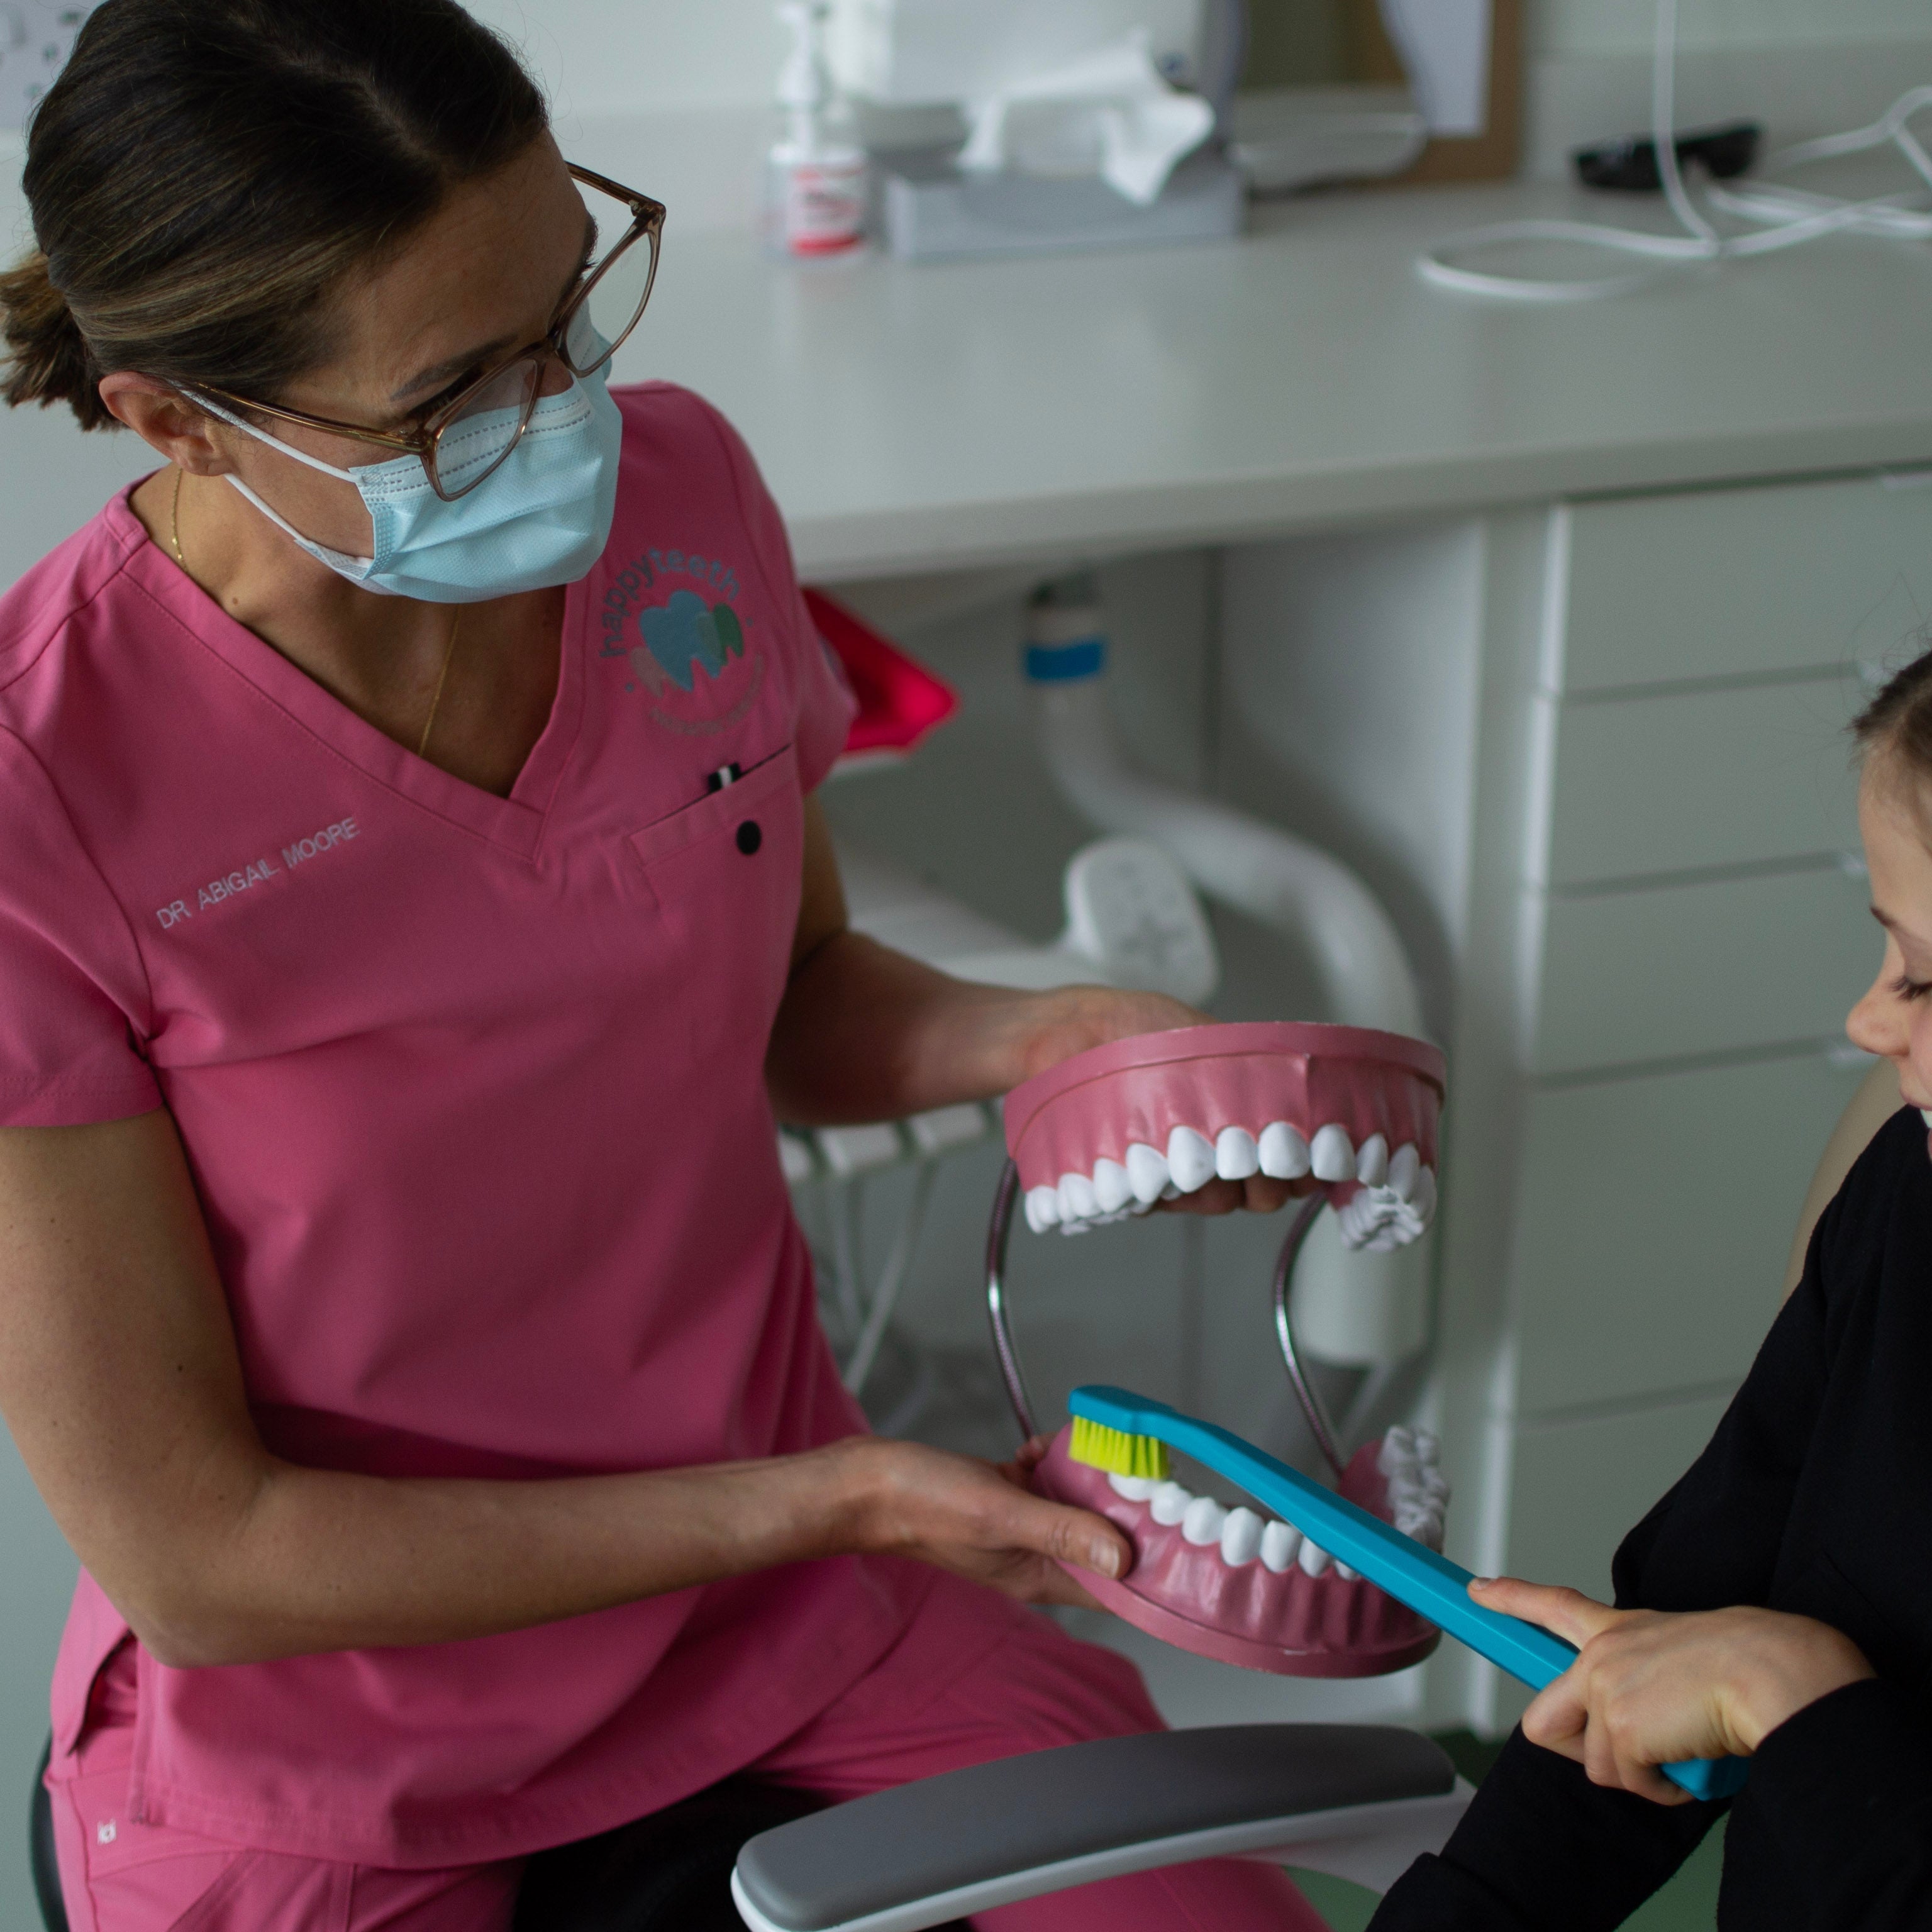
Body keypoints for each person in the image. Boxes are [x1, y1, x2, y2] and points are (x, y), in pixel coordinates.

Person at [0, 4, 1322, 1927]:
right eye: (459, 390)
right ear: (182, 419)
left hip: (788, 1620)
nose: (562, 416)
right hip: (336, 1727)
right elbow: (203, 1552)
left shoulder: (681, 509)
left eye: (574, 310)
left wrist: (1074, 1043)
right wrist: (846, 1496)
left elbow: (796, 1001)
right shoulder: (48, 799)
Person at [1371, 646, 1932, 1931]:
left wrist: (1794, 1697)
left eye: (1924, 975)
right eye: (1887, 948)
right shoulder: (1909, 1198)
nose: (1869, 1020)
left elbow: (1752, 1669)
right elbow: (1687, 1615)